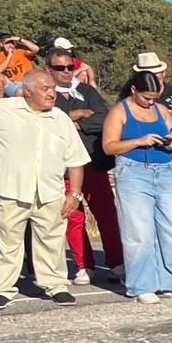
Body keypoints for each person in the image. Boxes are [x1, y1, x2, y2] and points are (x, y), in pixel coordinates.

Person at [0, 72, 87, 310]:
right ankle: (3, 289)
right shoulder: (3, 109)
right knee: (7, 242)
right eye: (45, 88)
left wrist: (75, 193)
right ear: (28, 91)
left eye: (52, 88)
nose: (52, 93)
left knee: (51, 241)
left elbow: (76, 158)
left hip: (50, 192)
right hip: (11, 190)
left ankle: (55, 285)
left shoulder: (60, 118)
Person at [99, 71, 172, 304]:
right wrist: (138, 141)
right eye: (146, 97)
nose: (151, 102)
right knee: (139, 231)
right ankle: (142, 284)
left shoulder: (161, 110)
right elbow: (109, 146)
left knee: (170, 229)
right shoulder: (119, 111)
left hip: (166, 171)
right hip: (133, 172)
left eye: (154, 97)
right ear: (133, 91)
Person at [47, 45, 119, 285]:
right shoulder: (46, 94)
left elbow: (105, 119)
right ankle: (83, 265)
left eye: (71, 67)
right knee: (73, 217)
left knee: (106, 213)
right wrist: (78, 115)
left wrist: (77, 121)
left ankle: (116, 262)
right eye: (60, 68)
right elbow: (50, 124)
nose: (66, 72)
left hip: (93, 162)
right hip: (64, 167)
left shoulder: (87, 91)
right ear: (49, 69)